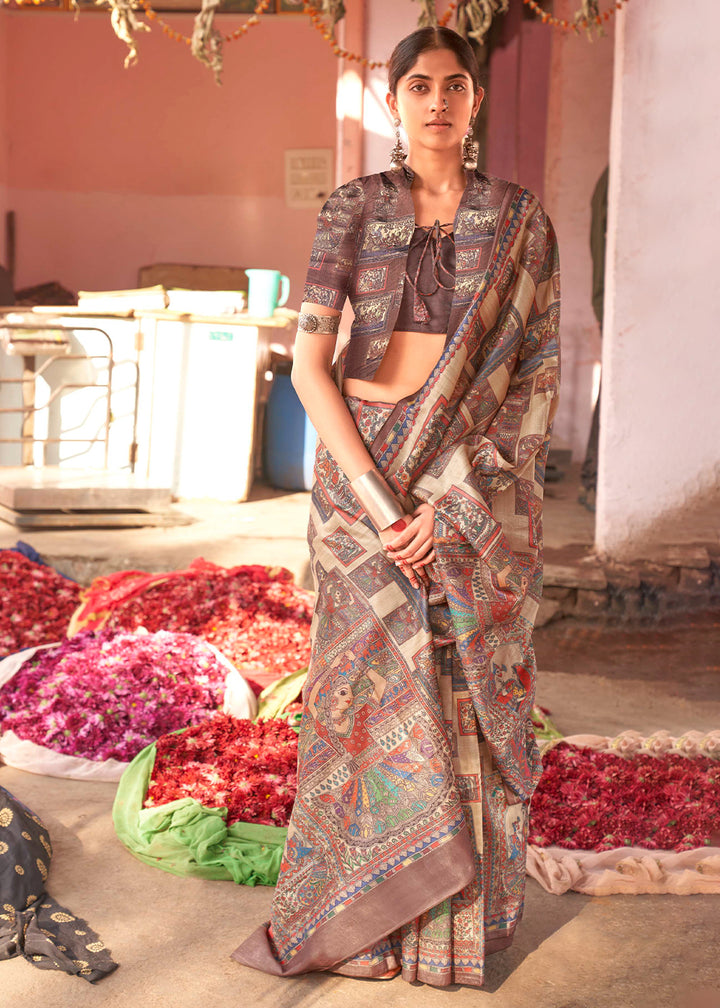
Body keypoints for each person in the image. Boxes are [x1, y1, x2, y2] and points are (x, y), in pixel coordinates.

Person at [233, 25, 560, 988]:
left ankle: (444, 939)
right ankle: (360, 925)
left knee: (459, 696)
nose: (437, 102)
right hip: (359, 489)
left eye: (454, 86)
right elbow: (308, 366)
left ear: (476, 100)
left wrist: (454, 496)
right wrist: (382, 506)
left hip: (467, 490)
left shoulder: (518, 221)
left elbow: (536, 379)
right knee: (364, 706)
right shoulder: (349, 212)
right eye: (417, 86)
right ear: (392, 102)